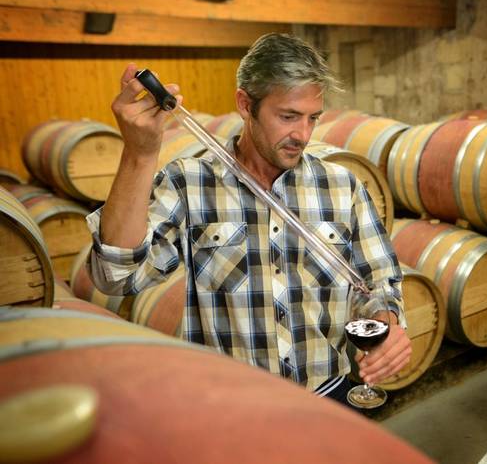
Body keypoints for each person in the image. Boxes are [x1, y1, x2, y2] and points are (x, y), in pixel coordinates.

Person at [87, 33, 411, 406]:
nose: (302, 134)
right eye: (288, 116)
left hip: (327, 399)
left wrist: (387, 324)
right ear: (245, 104)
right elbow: (116, 275)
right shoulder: (190, 183)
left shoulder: (343, 186)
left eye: (312, 118)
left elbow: (377, 282)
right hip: (229, 406)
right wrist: (139, 154)